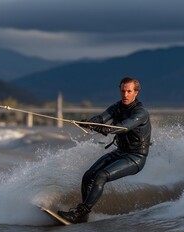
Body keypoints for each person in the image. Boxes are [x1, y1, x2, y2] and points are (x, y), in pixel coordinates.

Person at [57, 76, 152, 224]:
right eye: (123, 91)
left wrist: (102, 129)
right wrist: (88, 123)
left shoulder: (140, 113)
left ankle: (80, 212)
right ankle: (83, 216)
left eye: (128, 91)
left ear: (136, 93)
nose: (125, 95)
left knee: (101, 175)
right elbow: (101, 118)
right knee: (88, 176)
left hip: (136, 157)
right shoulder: (117, 107)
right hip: (120, 152)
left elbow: (122, 127)